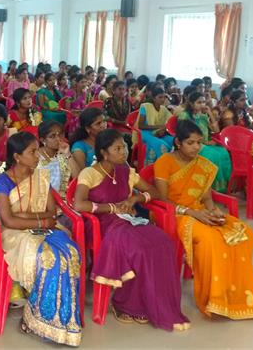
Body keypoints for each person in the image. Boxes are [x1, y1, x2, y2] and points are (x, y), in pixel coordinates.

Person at [73, 129, 190, 331]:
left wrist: (135, 198)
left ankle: (151, 301)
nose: (124, 152)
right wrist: (112, 208)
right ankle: (125, 303)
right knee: (138, 249)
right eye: (117, 149)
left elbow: (153, 192)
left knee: (163, 242)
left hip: (129, 220)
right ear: (104, 153)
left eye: (124, 147)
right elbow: (79, 204)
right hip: (103, 224)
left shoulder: (126, 172)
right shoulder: (89, 173)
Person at [154, 120, 253, 320]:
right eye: (190, 143)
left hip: (199, 211)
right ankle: (214, 298)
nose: (196, 147)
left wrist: (214, 212)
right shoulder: (164, 162)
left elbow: (207, 198)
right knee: (210, 240)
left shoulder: (202, 164)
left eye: (198, 142)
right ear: (178, 142)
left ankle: (233, 295)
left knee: (244, 233)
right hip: (175, 214)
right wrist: (193, 213)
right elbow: (162, 199)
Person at [0, 132, 83, 345]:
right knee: (48, 258)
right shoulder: (3, 181)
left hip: (43, 227)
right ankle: (34, 319)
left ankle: (64, 320)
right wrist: (39, 221)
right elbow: (8, 220)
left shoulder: (41, 177)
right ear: (17, 157)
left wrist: (27, 217)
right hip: (16, 234)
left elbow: (52, 212)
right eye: (32, 152)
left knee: (71, 253)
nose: (37, 156)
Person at [177, 92, 231, 192]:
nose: (202, 105)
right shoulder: (184, 115)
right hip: (192, 143)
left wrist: (209, 113)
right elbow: (183, 134)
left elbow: (216, 130)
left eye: (203, 102)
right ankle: (211, 187)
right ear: (191, 104)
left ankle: (224, 184)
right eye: (199, 102)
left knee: (223, 152)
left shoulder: (203, 116)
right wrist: (204, 143)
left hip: (205, 143)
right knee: (213, 154)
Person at [136, 87, 174, 166]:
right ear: (153, 98)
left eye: (164, 97)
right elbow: (141, 126)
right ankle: (155, 167)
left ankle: (170, 166)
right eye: (160, 97)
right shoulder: (145, 107)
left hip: (158, 132)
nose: (163, 99)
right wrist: (159, 127)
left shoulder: (164, 109)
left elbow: (170, 122)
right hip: (144, 133)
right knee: (162, 145)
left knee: (174, 141)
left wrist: (163, 130)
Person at [37, 120, 73, 195]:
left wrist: (67, 154)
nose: (58, 139)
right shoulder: (36, 156)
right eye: (52, 136)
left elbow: (78, 177)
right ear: (43, 140)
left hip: (64, 197)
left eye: (60, 134)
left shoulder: (64, 151)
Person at [70, 107, 107, 177]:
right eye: (98, 123)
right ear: (87, 128)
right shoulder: (79, 148)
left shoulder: (108, 140)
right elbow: (83, 176)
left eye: (104, 121)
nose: (103, 125)